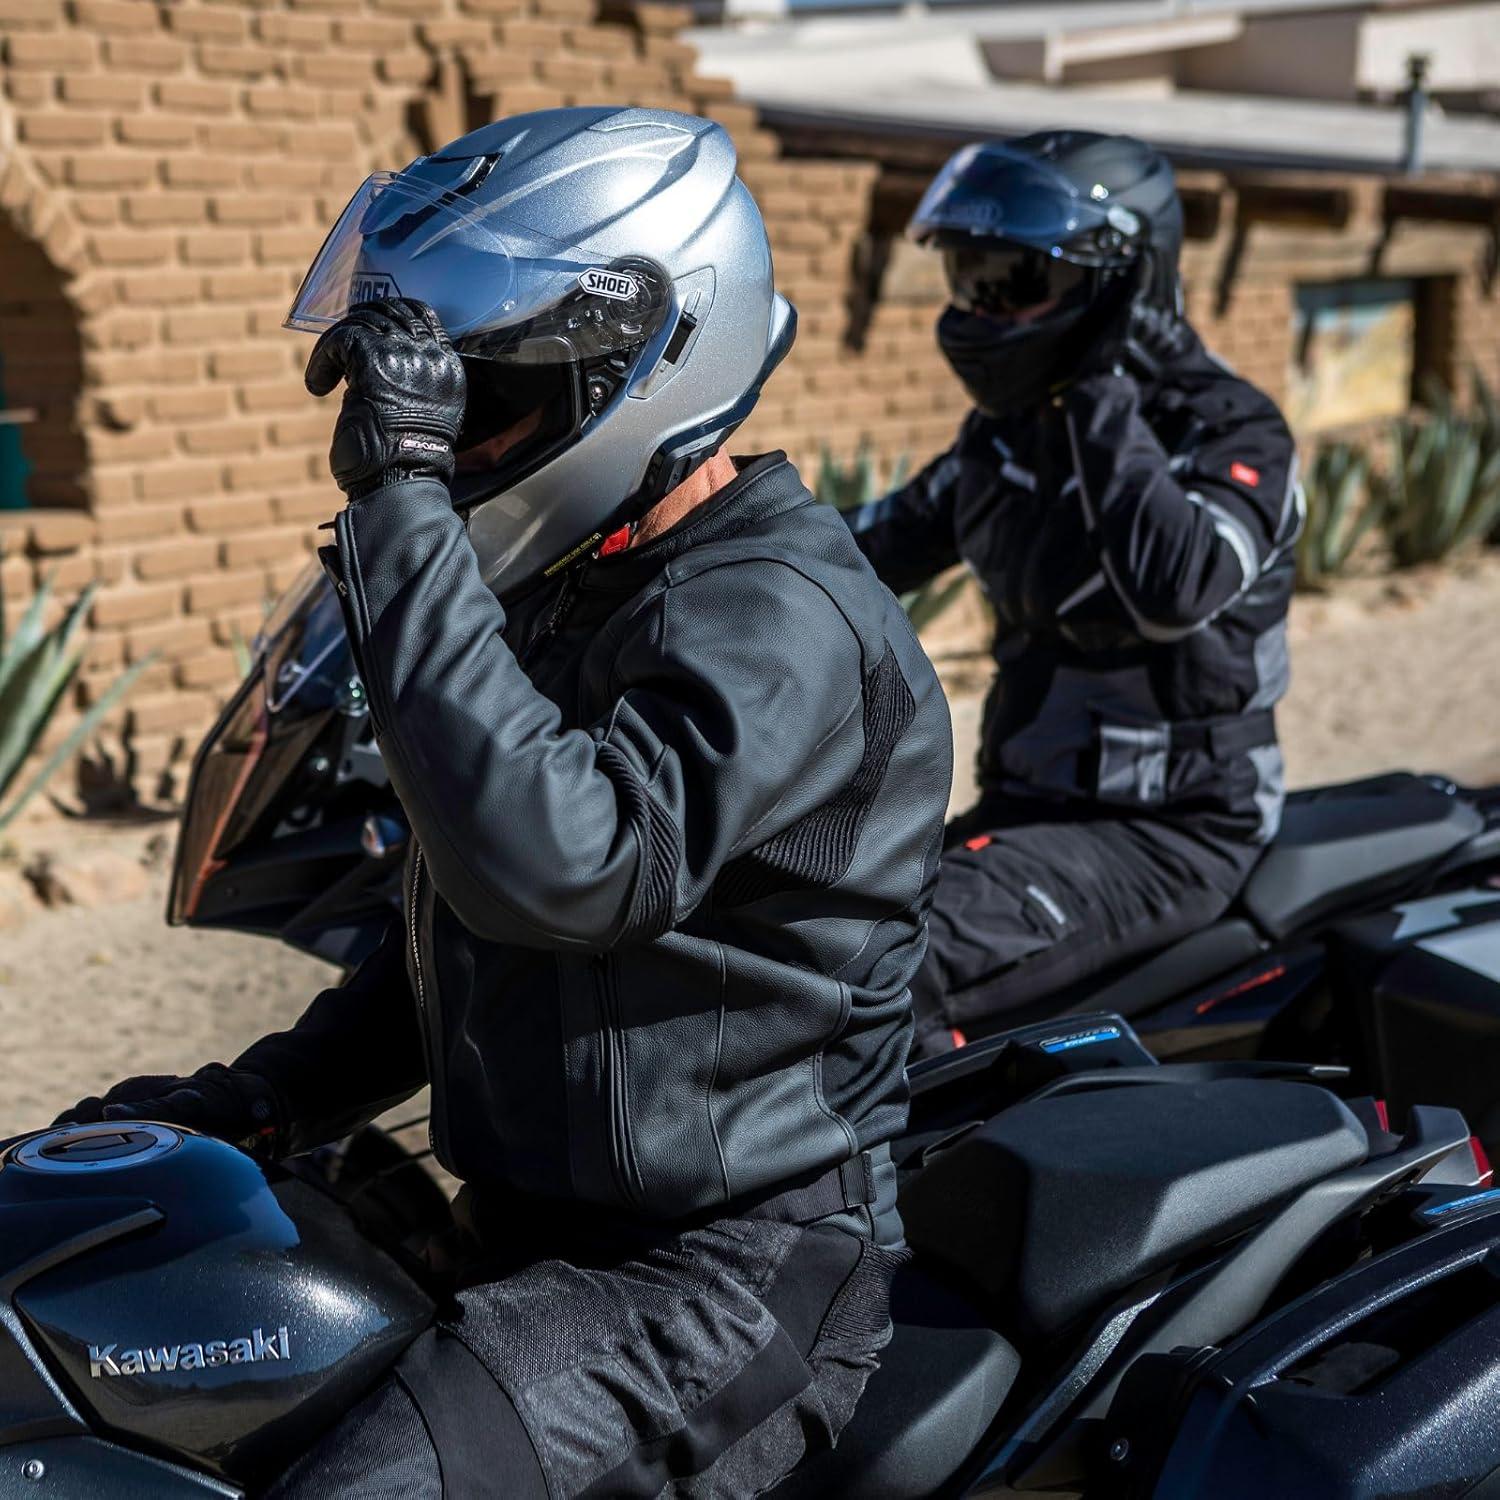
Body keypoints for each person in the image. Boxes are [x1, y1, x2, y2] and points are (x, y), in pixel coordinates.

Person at [57, 107, 952, 1497]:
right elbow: (464, 950)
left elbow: (562, 872)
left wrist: (403, 504)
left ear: (650, 354)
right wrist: (260, 1102)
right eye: (442, 405)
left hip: (719, 1277)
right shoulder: (582, 589)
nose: (451, 438)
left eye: (488, 396)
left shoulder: (778, 616)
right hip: (535, 1232)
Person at [846, 131, 1300, 1060]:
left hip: (1170, 829)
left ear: (1118, 279)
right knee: (793, 927)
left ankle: (876, 1207)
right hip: (1031, 811)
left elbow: (1176, 584)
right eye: (973, 279)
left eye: (1016, 280)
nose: (985, 306)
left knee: (880, 967)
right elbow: (863, 545)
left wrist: (1103, 382)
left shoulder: (1226, 428)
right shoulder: (1007, 437)